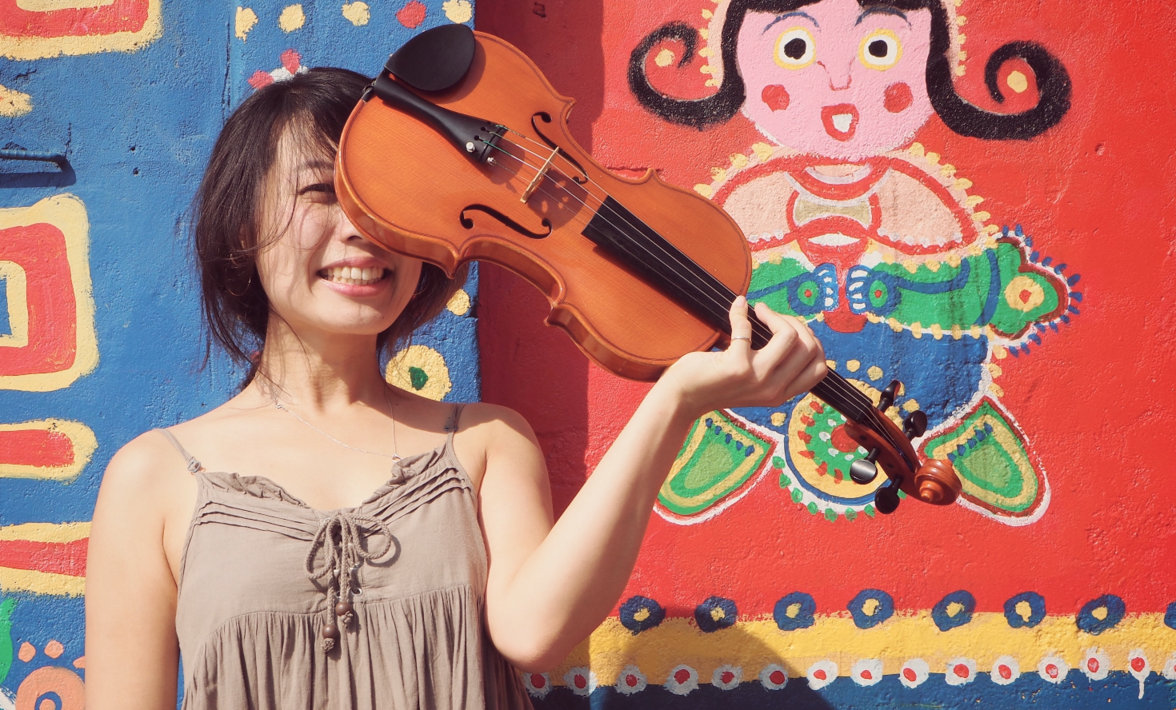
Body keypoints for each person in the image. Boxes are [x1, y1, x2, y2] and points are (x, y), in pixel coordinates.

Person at [84, 66, 827, 709]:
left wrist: (676, 400)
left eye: (388, 200)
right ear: (242, 224)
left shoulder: (483, 443)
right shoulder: (157, 477)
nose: (363, 229)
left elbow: (534, 634)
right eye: (321, 193)